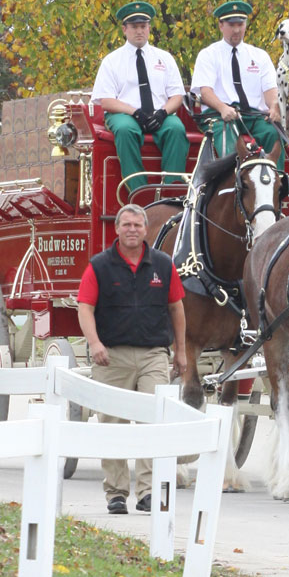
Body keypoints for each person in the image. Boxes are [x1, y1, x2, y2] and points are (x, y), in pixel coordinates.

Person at [77, 203, 187, 515]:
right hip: (112, 357)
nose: (132, 230)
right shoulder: (100, 266)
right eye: (126, 225)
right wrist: (95, 343)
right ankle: (116, 493)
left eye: (138, 225)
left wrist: (180, 351)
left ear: (145, 229)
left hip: (153, 354)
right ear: (117, 228)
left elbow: (177, 307)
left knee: (153, 421)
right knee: (113, 424)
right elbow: (84, 307)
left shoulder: (163, 265)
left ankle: (148, 492)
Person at [92, 1, 189, 193]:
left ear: (149, 28)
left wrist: (163, 113)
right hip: (124, 114)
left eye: (143, 26)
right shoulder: (111, 61)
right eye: (134, 27)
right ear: (124, 29)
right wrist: (134, 112)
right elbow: (106, 101)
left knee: (177, 129)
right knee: (126, 130)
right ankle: (139, 191)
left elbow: (177, 96)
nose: (139, 31)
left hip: (159, 114)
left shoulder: (165, 58)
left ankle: (172, 190)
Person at [190, 0, 284, 167]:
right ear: (221, 26)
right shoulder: (208, 55)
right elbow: (205, 92)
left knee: (272, 132)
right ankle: (234, 185)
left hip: (252, 115)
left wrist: (274, 107)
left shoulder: (260, 56)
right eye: (231, 24)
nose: (236, 30)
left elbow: (270, 90)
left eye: (240, 24)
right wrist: (222, 108)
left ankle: (275, 185)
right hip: (220, 115)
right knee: (227, 134)